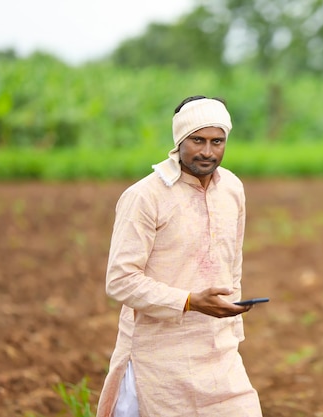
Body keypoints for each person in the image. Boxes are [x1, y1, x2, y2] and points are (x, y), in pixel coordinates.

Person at [96, 96, 263, 417]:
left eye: (218, 141)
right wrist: (190, 301)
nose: (207, 151)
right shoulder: (145, 196)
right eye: (197, 140)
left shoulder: (232, 188)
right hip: (158, 354)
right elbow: (120, 281)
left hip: (219, 352)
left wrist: (232, 322)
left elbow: (233, 266)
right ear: (179, 141)